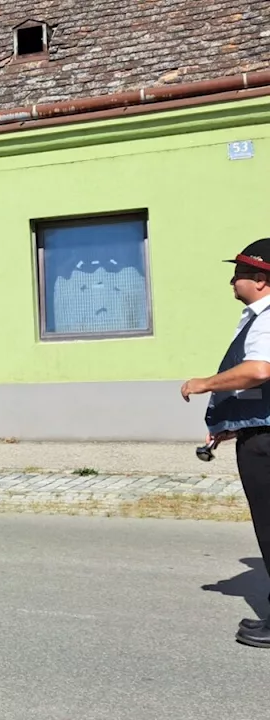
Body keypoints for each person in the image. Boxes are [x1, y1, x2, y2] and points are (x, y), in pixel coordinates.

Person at [182, 238, 270, 648]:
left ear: (261, 279)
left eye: (238, 273)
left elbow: (257, 371)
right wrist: (235, 422)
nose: (231, 280)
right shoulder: (258, 316)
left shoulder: (267, 318)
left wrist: (205, 384)